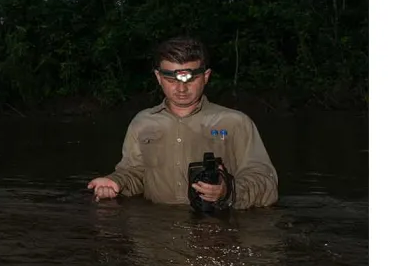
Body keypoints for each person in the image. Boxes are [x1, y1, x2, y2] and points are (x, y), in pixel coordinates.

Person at [87, 35, 279, 209]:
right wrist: (115, 182)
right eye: (171, 79)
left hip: (216, 230)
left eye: (190, 78)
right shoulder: (143, 123)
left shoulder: (235, 122)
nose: (181, 88)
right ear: (158, 77)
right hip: (157, 231)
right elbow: (134, 173)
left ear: (206, 76)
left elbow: (265, 181)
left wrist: (227, 191)